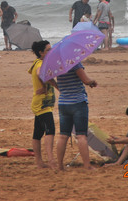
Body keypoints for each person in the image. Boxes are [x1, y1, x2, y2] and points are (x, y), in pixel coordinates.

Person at [56, 62, 98, 170]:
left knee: (63, 135)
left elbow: (48, 79)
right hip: (78, 102)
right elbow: (85, 80)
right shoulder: (74, 63)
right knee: (81, 135)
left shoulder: (57, 64)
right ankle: (87, 165)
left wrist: (58, 87)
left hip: (63, 103)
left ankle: (60, 166)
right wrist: (92, 81)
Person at [29, 40, 58, 169]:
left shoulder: (39, 62)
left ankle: (39, 162)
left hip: (41, 103)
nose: (50, 51)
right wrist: (49, 86)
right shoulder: (40, 63)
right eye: (48, 50)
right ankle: (51, 160)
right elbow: (40, 73)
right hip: (42, 105)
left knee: (38, 133)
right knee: (50, 130)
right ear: (41, 52)